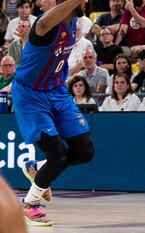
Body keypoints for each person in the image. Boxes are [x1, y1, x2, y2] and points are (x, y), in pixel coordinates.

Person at [11, 0, 94, 226]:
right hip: (31, 95)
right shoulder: (45, 23)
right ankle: (30, 204)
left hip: (56, 91)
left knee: (85, 151)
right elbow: (45, 23)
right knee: (56, 155)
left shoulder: (74, 22)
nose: (85, 3)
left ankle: (36, 167)